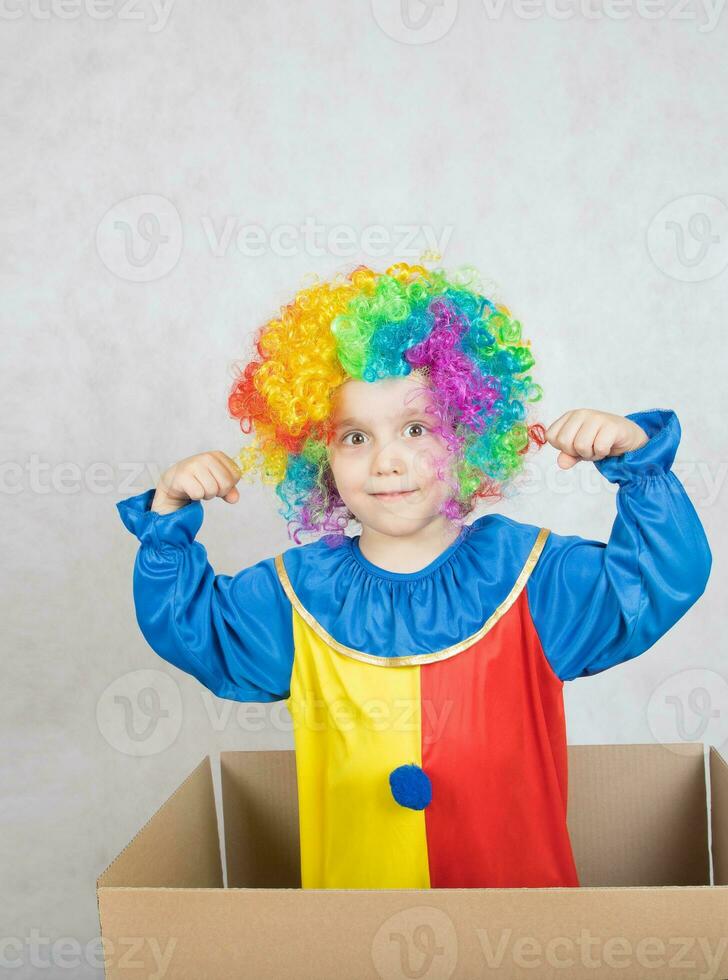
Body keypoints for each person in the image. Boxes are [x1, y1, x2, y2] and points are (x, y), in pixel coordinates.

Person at [116, 261, 712, 889]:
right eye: (354, 438)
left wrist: (638, 467)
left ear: (468, 436)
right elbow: (193, 630)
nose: (387, 461)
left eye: (417, 428)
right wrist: (169, 518)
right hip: (356, 928)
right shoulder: (297, 595)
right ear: (317, 456)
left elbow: (658, 578)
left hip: (516, 935)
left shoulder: (533, 578)